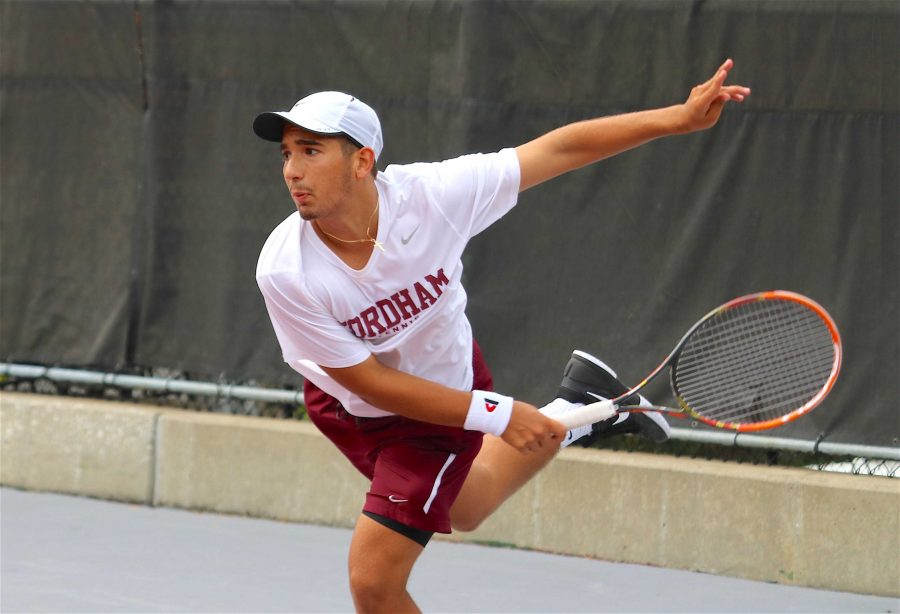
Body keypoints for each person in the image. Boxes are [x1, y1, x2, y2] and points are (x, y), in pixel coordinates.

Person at [253, 59, 750, 613]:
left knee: (373, 582)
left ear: (362, 162)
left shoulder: (433, 197)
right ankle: (578, 408)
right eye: (287, 153)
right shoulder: (285, 268)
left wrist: (676, 120)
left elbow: (555, 151)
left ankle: (572, 412)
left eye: (311, 151)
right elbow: (367, 381)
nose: (292, 170)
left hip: (439, 409)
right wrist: (503, 415)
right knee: (464, 506)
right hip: (344, 399)